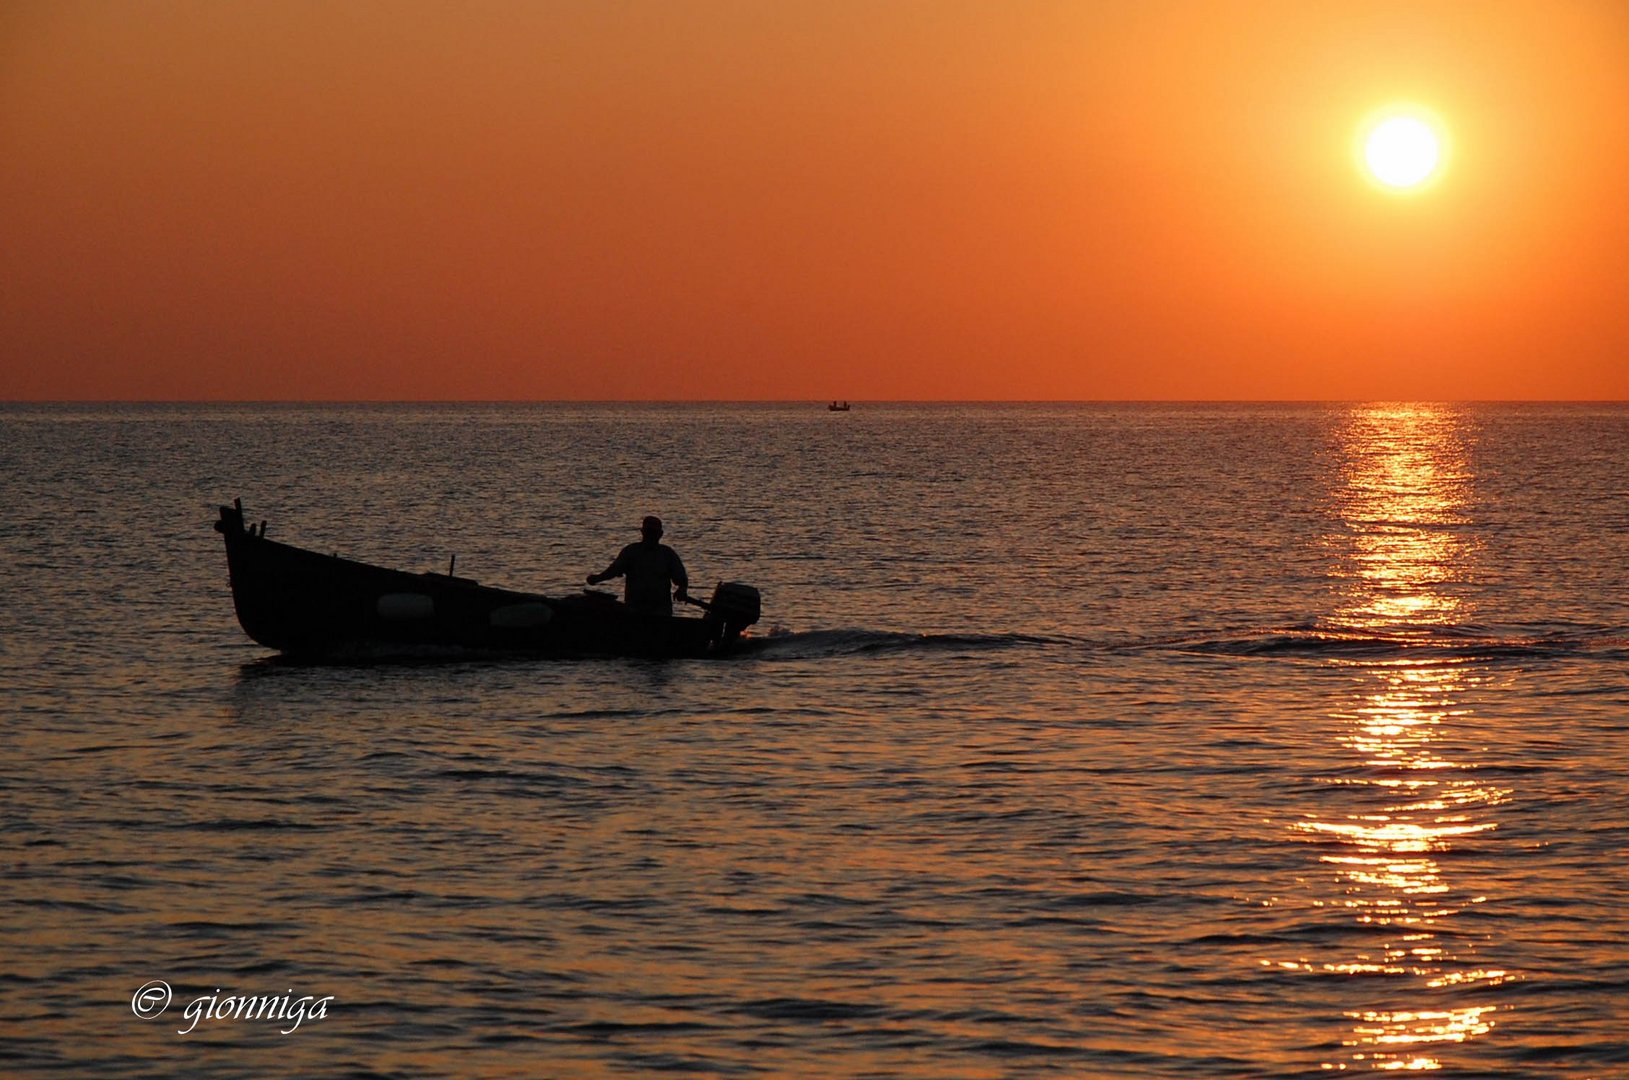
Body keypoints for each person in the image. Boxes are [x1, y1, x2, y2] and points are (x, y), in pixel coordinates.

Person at [587, 515, 689, 616]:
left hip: (660, 610)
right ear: (642, 532)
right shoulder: (631, 551)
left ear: (660, 534)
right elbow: (614, 570)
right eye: (648, 532)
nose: (650, 535)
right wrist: (597, 578)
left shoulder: (667, 554)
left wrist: (682, 589)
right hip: (634, 609)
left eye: (653, 532)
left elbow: (681, 579)